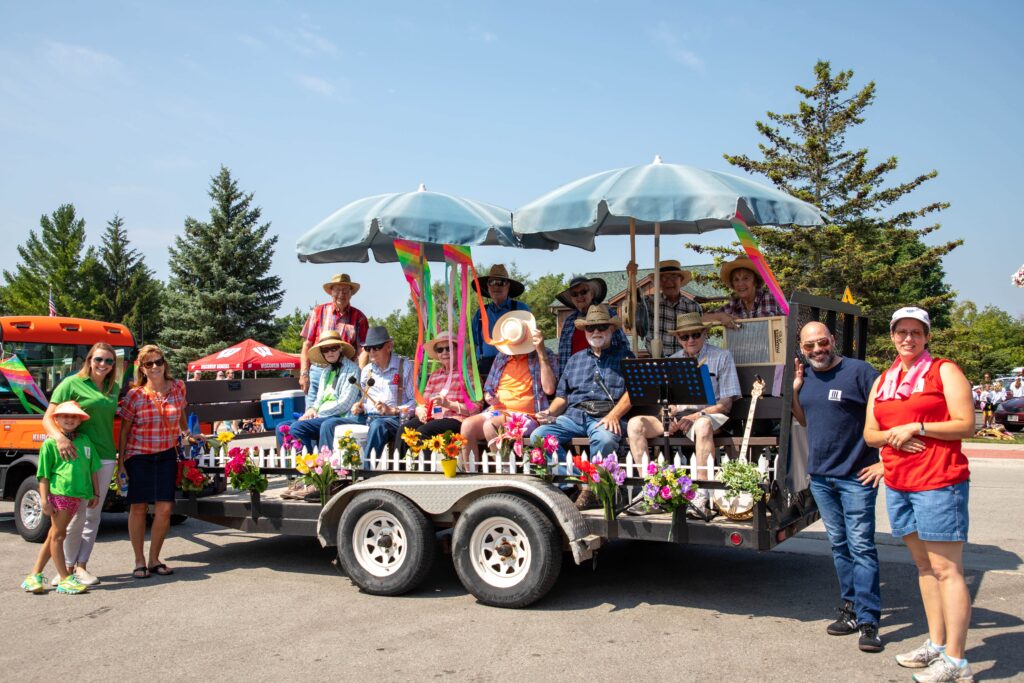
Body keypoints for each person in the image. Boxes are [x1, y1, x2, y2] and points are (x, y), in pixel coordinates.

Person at [863, 307, 976, 681]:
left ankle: (957, 661)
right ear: (892, 336)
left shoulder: (944, 370)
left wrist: (918, 426)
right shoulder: (884, 381)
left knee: (947, 570)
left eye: (916, 332)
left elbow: (966, 424)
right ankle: (937, 644)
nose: (907, 338)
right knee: (925, 568)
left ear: (927, 336)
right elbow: (871, 434)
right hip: (899, 482)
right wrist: (898, 435)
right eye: (901, 332)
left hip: (939, 481)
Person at [790, 321, 883, 653]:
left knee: (861, 547)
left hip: (857, 476)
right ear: (801, 349)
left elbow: (889, 415)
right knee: (840, 546)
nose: (817, 350)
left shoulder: (860, 372)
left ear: (833, 340)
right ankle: (851, 610)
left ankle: (870, 620)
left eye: (822, 342)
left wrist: (885, 462)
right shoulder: (807, 377)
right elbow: (804, 420)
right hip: (822, 478)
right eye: (810, 346)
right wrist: (797, 388)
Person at [625, 312, 740, 516]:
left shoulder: (721, 356)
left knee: (703, 425)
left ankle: (702, 494)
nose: (690, 340)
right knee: (635, 424)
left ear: (705, 333)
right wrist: (668, 413)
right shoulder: (673, 360)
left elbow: (726, 403)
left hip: (707, 416)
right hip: (679, 418)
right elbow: (665, 402)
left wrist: (696, 416)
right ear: (678, 338)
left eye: (695, 334)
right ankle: (650, 492)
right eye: (684, 337)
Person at [532, 305, 635, 509]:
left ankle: (594, 490)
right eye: (591, 328)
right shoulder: (574, 360)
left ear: (611, 329)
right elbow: (562, 396)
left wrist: (615, 415)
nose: (596, 332)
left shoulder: (626, 357)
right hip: (574, 416)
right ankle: (579, 482)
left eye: (602, 327)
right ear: (585, 331)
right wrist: (549, 412)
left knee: (604, 439)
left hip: (606, 416)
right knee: (539, 436)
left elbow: (633, 393)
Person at [40, 342, 121, 587]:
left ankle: (81, 566)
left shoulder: (113, 387)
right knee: (74, 515)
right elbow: (48, 417)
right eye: (98, 359)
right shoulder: (71, 383)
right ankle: (63, 569)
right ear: (89, 360)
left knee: (93, 514)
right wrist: (60, 439)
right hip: (75, 454)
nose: (103, 365)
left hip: (105, 455)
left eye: (108, 361)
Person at [117, 344, 193, 579]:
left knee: (165, 508)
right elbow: (125, 430)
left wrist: (186, 432)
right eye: (149, 364)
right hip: (139, 455)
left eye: (158, 362)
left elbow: (180, 412)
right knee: (139, 507)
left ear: (164, 363)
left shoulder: (178, 387)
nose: (155, 367)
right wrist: (121, 463)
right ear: (142, 368)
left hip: (166, 454)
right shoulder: (135, 395)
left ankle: (154, 559)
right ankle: (139, 560)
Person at [21, 402, 101, 595]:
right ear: (55, 419)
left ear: (80, 420)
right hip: (60, 495)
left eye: (74, 416)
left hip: (77, 497)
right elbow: (44, 475)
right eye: (64, 416)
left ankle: (35, 575)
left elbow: (93, 469)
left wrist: (95, 493)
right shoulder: (50, 443)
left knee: (53, 534)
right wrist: (44, 501)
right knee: (58, 535)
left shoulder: (85, 441)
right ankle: (65, 578)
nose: (69, 419)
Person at [460, 312, 557, 461]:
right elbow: (488, 389)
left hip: (527, 416)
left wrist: (542, 353)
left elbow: (550, 389)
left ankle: (504, 472)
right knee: (467, 426)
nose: (515, 350)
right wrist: (490, 397)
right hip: (497, 411)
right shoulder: (502, 356)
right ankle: (470, 473)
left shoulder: (544, 354)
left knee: (490, 426)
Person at [331, 326, 414, 457]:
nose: (372, 352)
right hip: (367, 417)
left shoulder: (405, 366)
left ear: (389, 346)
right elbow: (363, 401)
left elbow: (415, 402)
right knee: (330, 424)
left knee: (377, 425)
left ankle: (365, 468)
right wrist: (359, 406)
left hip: (393, 419)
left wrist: (393, 410)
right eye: (368, 348)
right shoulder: (367, 370)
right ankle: (330, 468)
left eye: (377, 347)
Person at [274, 331, 361, 454]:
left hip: (339, 417)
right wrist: (311, 410)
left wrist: (318, 414)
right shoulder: (326, 371)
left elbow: (345, 404)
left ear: (340, 349)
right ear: (322, 352)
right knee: (282, 427)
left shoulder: (352, 370)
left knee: (298, 427)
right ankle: (292, 465)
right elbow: (319, 399)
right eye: (325, 349)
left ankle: (310, 466)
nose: (330, 352)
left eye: (334, 348)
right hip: (321, 416)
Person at [402, 332, 482, 442]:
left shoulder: (469, 375)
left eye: (448, 348)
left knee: (424, 431)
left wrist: (448, 404)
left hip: (456, 420)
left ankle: (423, 459)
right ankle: (402, 459)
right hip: (433, 418)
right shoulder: (434, 375)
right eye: (440, 350)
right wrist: (420, 410)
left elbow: (476, 409)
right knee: (404, 429)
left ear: (458, 350)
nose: (444, 352)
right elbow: (423, 403)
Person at [299, 273, 369, 393]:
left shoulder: (359, 317)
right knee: (312, 410)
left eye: (346, 290)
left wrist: (360, 374)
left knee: (341, 409)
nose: (341, 294)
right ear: (331, 292)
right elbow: (307, 345)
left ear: (351, 293)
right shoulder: (318, 312)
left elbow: (363, 350)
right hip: (318, 371)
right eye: (337, 290)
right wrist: (304, 374)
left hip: (345, 372)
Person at [555, 275, 629, 372]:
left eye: (583, 292)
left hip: (606, 372)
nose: (579, 296)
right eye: (574, 294)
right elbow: (563, 355)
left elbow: (623, 345)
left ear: (592, 293)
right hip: (575, 377)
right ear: (572, 298)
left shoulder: (608, 314)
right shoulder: (569, 321)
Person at [631, 260, 702, 357]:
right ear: (658, 282)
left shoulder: (693, 306)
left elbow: (700, 337)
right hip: (657, 360)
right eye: (664, 278)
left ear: (680, 280)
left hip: (686, 361)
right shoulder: (648, 303)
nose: (669, 281)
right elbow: (632, 301)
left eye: (673, 276)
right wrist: (631, 276)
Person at [471, 264, 531, 379]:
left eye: (501, 282)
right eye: (492, 282)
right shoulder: (480, 313)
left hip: (514, 367)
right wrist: (471, 369)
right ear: (487, 286)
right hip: (484, 369)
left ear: (508, 286)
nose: (496, 286)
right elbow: (473, 345)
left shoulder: (521, 309)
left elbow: (531, 340)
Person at [705, 256, 786, 329]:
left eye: (746, 278)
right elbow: (700, 319)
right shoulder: (733, 306)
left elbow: (796, 325)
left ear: (755, 281)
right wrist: (720, 316)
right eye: (736, 280)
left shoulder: (772, 298)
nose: (740, 284)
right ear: (733, 285)